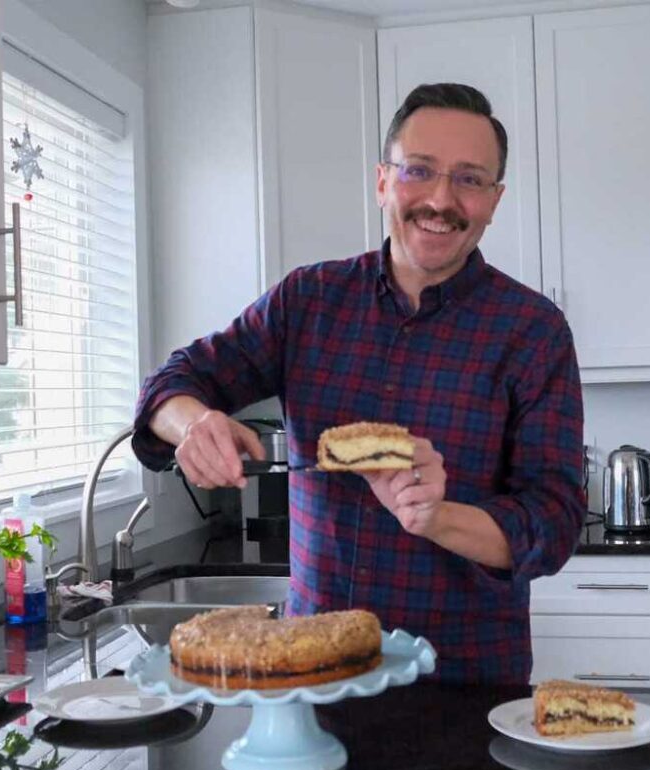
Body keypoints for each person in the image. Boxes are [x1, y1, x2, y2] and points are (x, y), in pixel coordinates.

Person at [132, 83, 585, 683]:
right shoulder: (307, 300)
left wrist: (438, 517)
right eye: (418, 170)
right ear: (382, 182)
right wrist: (194, 423)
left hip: (463, 681)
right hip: (315, 674)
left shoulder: (534, 331)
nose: (441, 200)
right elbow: (173, 380)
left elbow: (554, 522)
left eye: (470, 179)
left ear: (494, 201)